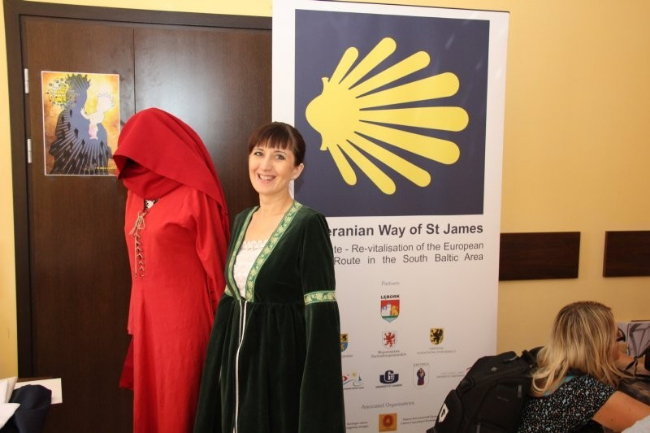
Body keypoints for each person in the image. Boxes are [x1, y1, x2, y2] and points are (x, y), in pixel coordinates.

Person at [194, 122, 345, 433]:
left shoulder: (308, 224)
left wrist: (316, 395)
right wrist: (217, 369)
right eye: (258, 153)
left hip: (280, 370)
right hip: (237, 369)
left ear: (297, 169)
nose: (265, 165)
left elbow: (321, 315)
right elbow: (230, 302)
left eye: (279, 156)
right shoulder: (243, 220)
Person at [113, 108, 229, 433]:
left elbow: (217, 265)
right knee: (152, 402)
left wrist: (225, 328)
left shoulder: (195, 194)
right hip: (147, 319)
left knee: (180, 401)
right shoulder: (135, 194)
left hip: (185, 322)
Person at [517, 301, 650, 432]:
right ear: (602, 346)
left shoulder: (544, 369)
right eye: (616, 338)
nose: (619, 346)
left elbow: (617, 358)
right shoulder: (585, 392)